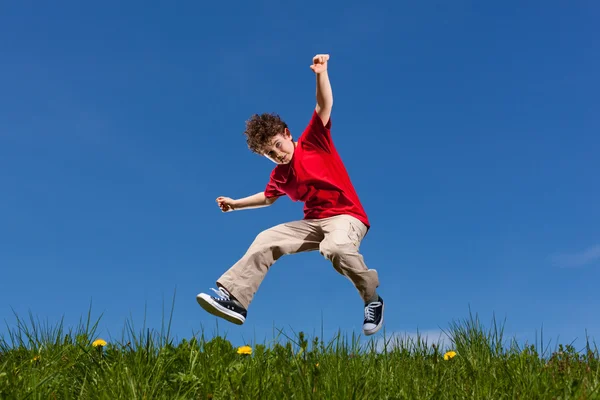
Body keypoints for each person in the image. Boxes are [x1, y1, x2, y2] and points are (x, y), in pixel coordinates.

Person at [196, 54, 384, 335]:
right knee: (266, 239)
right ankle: (234, 298)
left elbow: (324, 105)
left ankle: (372, 300)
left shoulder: (314, 141)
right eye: (269, 154)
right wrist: (236, 205)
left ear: (287, 134)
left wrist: (321, 73)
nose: (277, 155)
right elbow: (268, 197)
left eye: (278, 146)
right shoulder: (279, 175)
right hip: (313, 223)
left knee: (334, 250)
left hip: (346, 217)